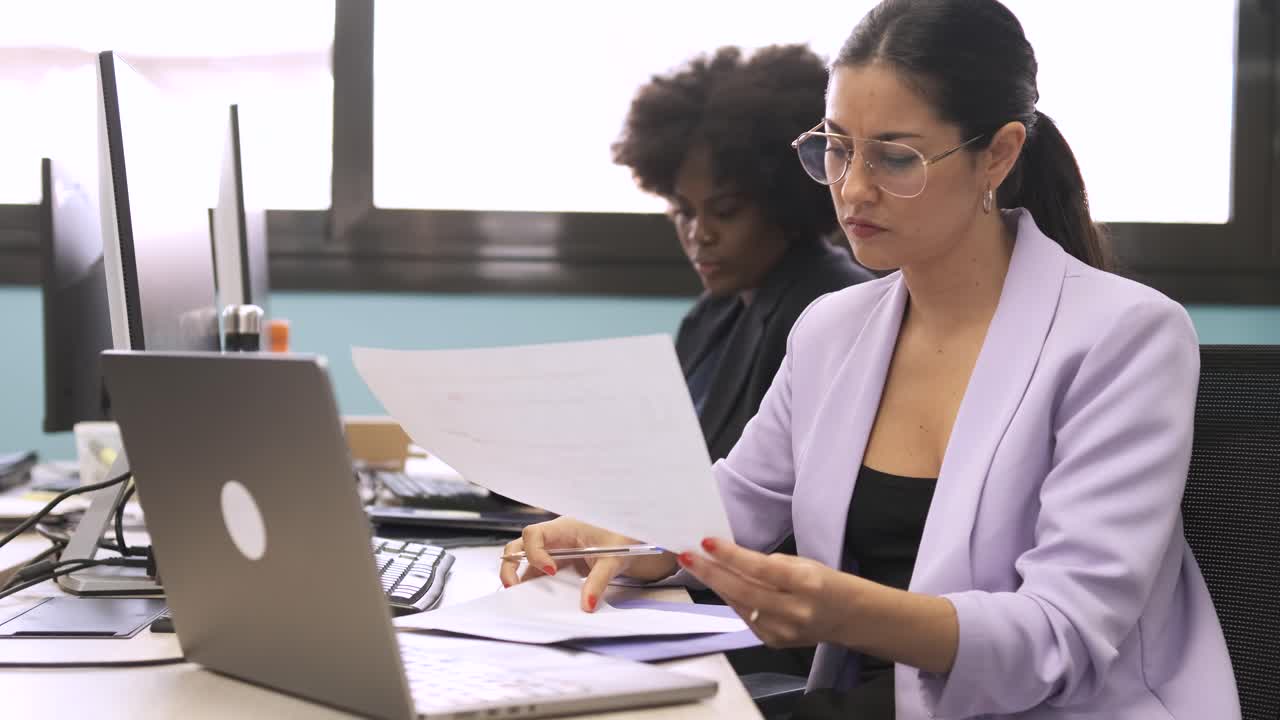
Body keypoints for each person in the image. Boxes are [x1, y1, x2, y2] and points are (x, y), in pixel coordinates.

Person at [501, 1, 1239, 718]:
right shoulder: (833, 329)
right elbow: (732, 506)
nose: (853, 188)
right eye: (837, 146)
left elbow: (1061, 635)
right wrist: (626, 536)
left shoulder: (1126, 337)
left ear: (1000, 154)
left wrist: (848, 611)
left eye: (895, 156)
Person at [611, 44, 875, 464]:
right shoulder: (711, 314)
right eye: (683, 212)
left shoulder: (831, 311)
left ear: (784, 202)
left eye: (725, 211)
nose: (699, 234)